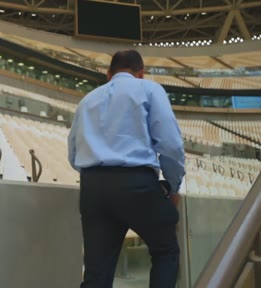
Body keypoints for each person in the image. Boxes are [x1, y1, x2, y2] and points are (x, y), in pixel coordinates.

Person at [67, 49, 185, 288]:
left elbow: (73, 154)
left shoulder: (87, 99)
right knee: (165, 252)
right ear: (141, 73)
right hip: (137, 184)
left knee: (96, 274)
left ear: (108, 74)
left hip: (93, 187)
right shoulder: (150, 89)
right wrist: (172, 185)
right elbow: (171, 145)